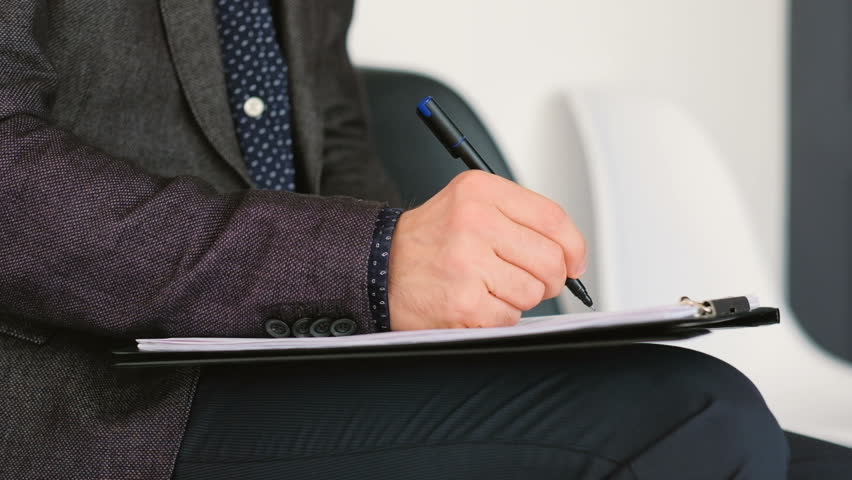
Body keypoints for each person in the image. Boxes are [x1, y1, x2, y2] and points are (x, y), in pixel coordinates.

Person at [1, 1, 850, 478]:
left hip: (284, 358)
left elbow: (329, 131)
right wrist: (368, 262)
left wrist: (422, 288)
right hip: (81, 396)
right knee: (701, 415)